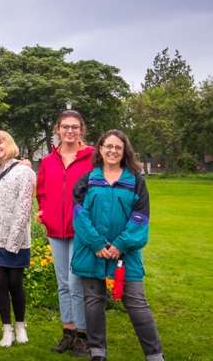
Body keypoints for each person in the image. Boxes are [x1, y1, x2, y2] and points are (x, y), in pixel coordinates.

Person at [72, 130, 163, 361]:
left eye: (118, 148)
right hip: (92, 251)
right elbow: (79, 215)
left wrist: (121, 244)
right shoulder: (87, 180)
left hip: (126, 254)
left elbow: (140, 218)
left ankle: (154, 355)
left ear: (124, 152)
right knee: (93, 302)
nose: (112, 151)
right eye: (108, 146)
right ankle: (97, 352)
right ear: (100, 149)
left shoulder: (136, 183)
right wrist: (96, 243)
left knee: (136, 302)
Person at [36, 110, 94, 356]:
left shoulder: (92, 157)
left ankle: (82, 335)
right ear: (57, 130)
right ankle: (67, 331)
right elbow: (42, 191)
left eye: (74, 127)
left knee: (75, 282)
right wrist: (43, 211)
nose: (69, 131)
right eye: (65, 127)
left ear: (81, 129)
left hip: (80, 230)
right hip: (55, 229)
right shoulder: (49, 161)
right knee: (62, 283)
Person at [0, 130, 36, 348]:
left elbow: (24, 208)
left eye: (0, 143)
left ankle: (20, 324)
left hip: (15, 238)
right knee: (0, 284)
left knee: (15, 283)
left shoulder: (24, 171)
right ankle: (6, 328)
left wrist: (13, 242)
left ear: (9, 144)